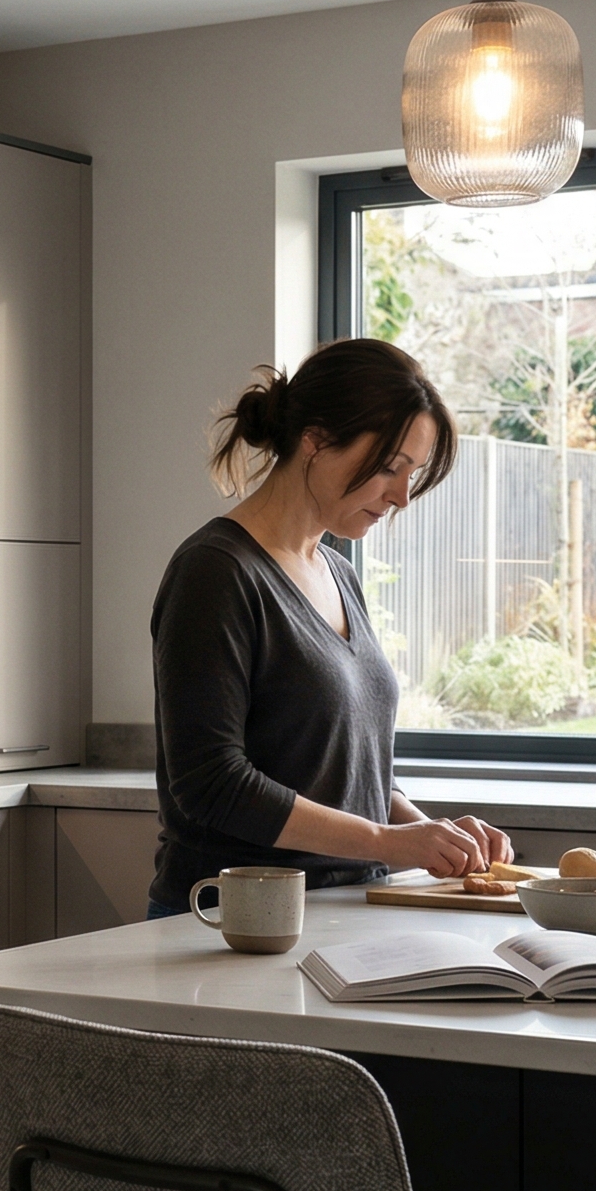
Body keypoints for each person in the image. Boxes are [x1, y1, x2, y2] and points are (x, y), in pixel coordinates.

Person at [146, 337, 511, 918]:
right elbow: (213, 784)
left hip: (341, 914)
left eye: (411, 473)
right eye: (391, 468)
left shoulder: (338, 573)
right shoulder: (215, 572)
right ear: (316, 440)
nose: (402, 497)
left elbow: (347, 778)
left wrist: (434, 837)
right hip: (235, 926)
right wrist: (388, 844)